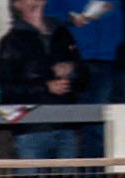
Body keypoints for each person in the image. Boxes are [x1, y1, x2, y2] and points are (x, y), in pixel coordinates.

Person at [0, 0, 88, 178]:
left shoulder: (62, 33)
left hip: (65, 123)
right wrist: (45, 87)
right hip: (31, 126)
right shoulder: (11, 41)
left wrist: (72, 71)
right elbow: (4, 89)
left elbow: (84, 78)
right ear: (17, 4)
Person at [46, 0, 122, 156]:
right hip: (78, 59)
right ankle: (93, 174)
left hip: (114, 59)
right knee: (90, 122)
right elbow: (45, 16)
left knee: (106, 122)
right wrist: (69, 18)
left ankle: (99, 171)